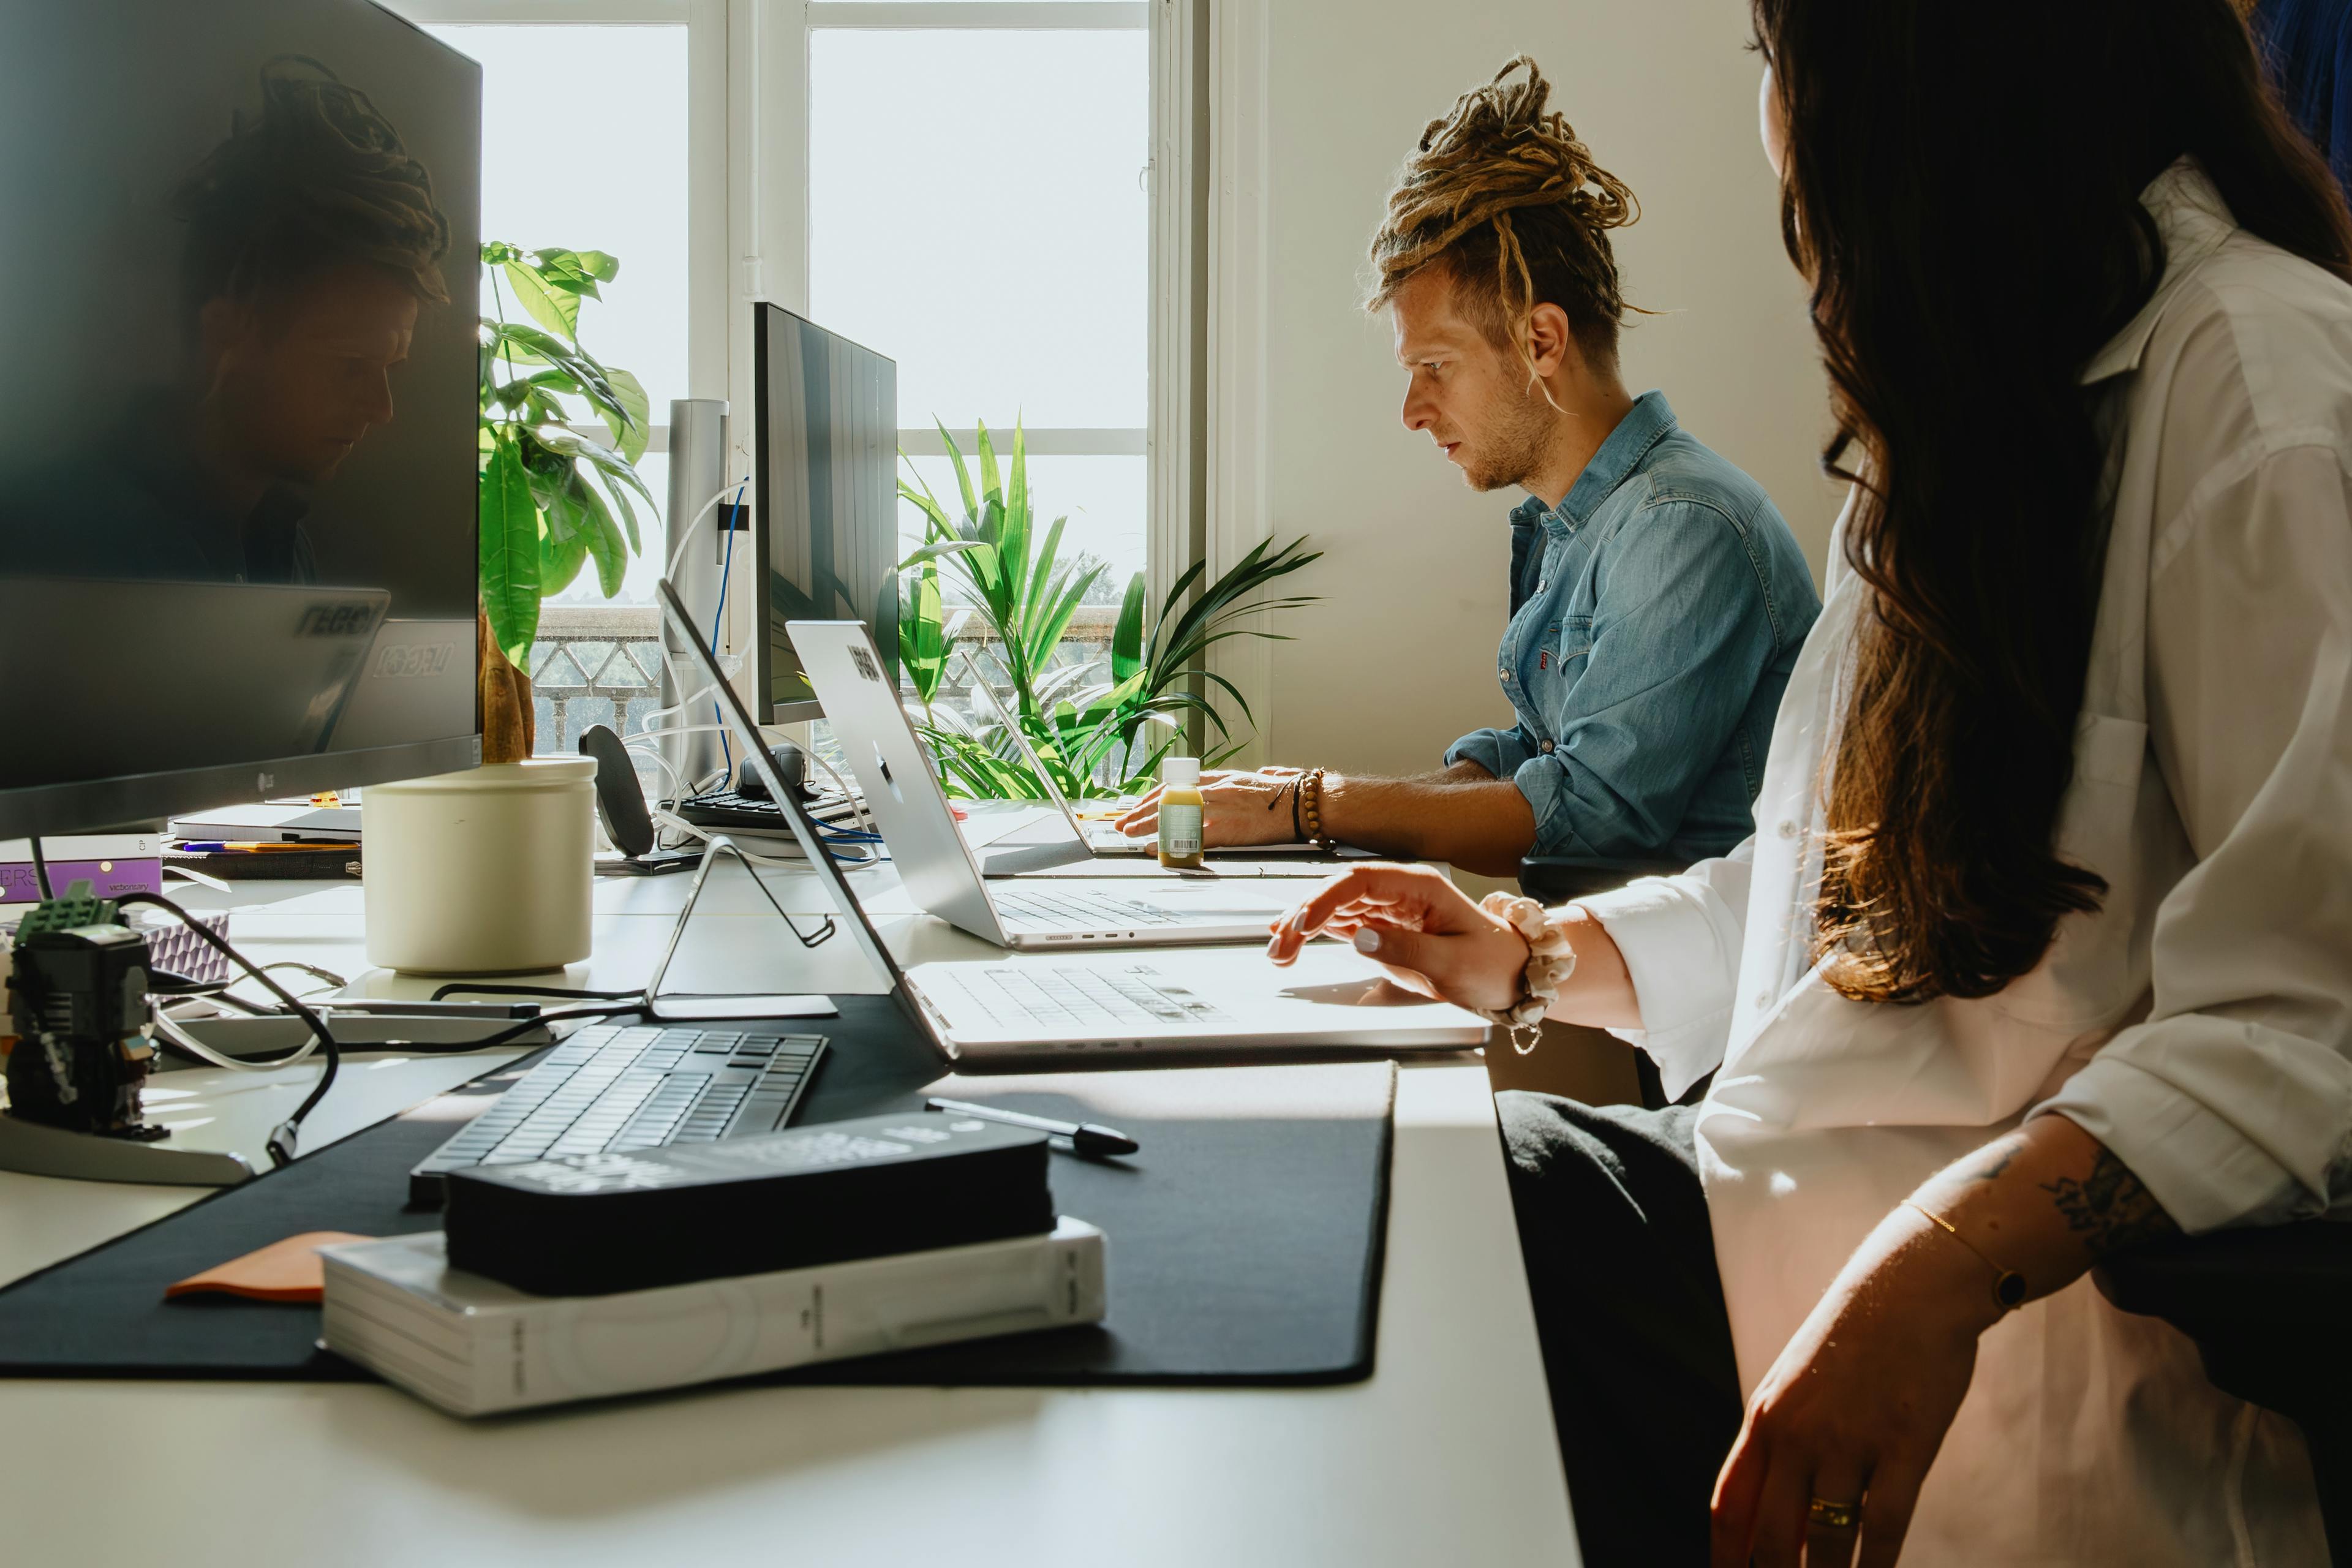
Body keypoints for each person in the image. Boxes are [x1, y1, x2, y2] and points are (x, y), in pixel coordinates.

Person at [1268, 2, 2348, 1562]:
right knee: (1366, 1182)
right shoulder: (1959, 424)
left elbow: (2305, 1016)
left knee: (1403, 1254)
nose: (1771, 123)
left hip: (2001, 1353)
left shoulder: (2253, 383)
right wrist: (1533, 956)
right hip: (1771, 1204)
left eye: (1778, 63)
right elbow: (1817, 885)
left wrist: (1930, 1269)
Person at [1117, 58, 1819, 878]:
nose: (1412, 411)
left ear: (1542, 340)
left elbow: (1591, 815)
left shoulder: (1681, 527)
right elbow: (1536, 753)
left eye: (1436, 367)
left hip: (1674, 999)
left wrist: (1311, 805)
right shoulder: (1575, 524)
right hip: (1569, 967)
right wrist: (1287, 803)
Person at [2, 56, 448, 584]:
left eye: (391, 367)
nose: (382, 409)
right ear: (226, 335)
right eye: (350, 364)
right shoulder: (59, 544)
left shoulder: (279, 538)